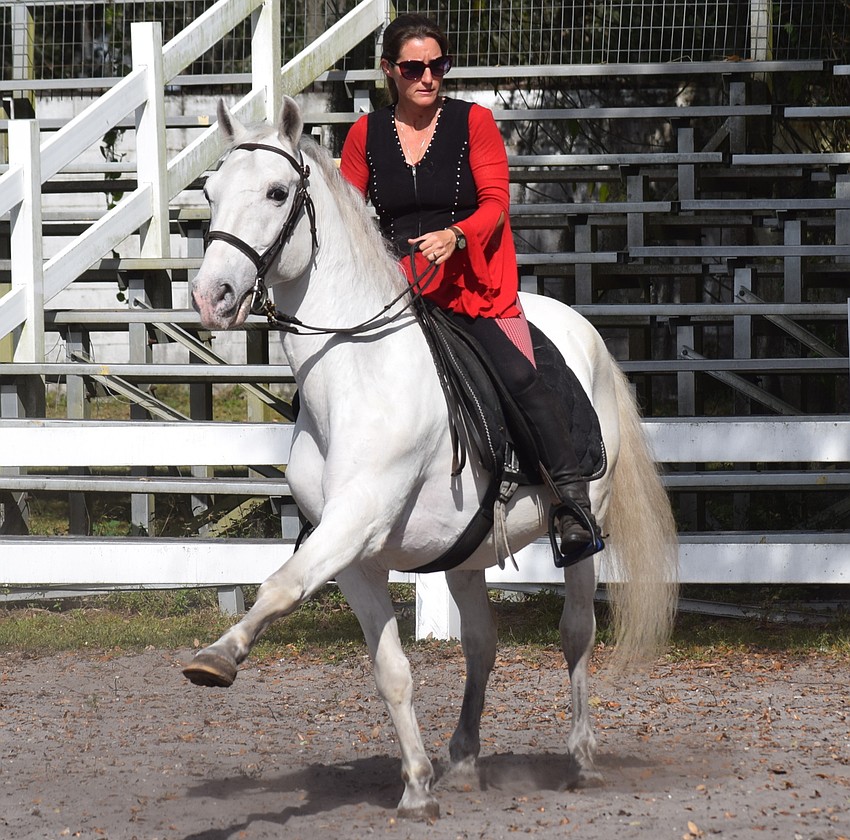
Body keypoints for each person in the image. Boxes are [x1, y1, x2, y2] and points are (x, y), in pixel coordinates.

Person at [339, 13, 601, 564]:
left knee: (520, 376)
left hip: (469, 282)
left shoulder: (473, 122)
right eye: (414, 67)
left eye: (438, 65)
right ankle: (324, 503)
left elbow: (497, 204)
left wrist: (456, 236)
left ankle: (573, 503)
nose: (428, 76)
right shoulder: (364, 134)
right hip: (393, 288)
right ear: (389, 70)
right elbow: (345, 214)